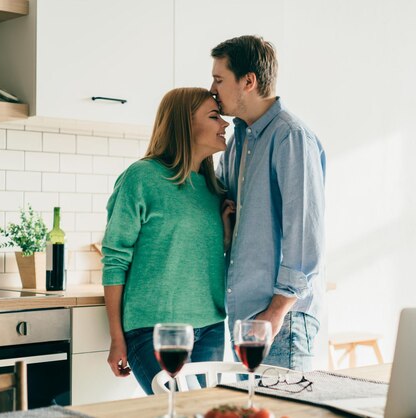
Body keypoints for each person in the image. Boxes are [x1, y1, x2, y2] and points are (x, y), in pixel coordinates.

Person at [101, 87, 232, 394]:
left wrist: (224, 239)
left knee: (203, 414)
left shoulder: (214, 188)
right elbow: (114, 258)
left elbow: (193, 253)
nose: (225, 124)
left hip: (211, 327)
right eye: (214, 117)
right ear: (184, 125)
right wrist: (117, 337)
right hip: (154, 330)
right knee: (179, 412)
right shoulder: (141, 178)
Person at [210, 35, 326, 371]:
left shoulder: (290, 136)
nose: (212, 89)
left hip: (280, 322)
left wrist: (274, 314)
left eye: (219, 79)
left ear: (248, 81)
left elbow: (305, 236)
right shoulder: (238, 141)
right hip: (246, 318)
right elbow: (221, 202)